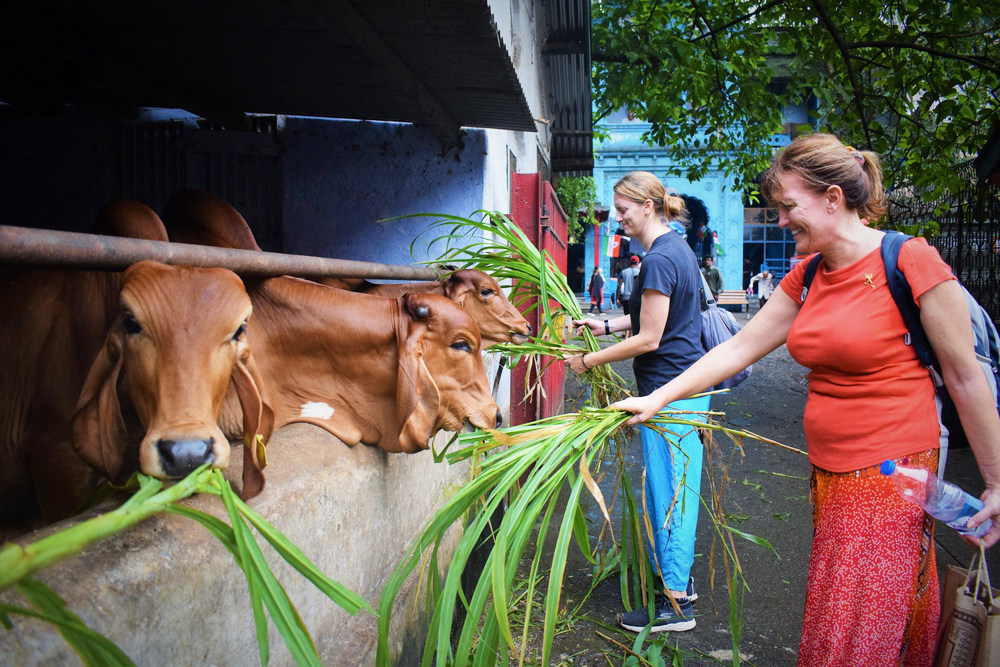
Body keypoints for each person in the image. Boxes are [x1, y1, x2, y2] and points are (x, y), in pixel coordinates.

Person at [613, 134, 1000, 666]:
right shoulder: (810, 274)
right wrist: (658, 399)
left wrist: (997, 481)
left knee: (856, 624)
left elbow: (965, 377)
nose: (779, 222)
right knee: (848, 611)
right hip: (830, 475)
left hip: (890, 473)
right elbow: (740, 347)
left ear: (834, 198)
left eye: (789, 207)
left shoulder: (910, 261)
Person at [567, 171, 708, 633]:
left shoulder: (659, 260)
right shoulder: (675, 249)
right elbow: (648, 321)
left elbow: (650, 338)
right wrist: (601, 327)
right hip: (679, 389)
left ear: (648, 206)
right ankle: (676, 581)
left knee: (670, 496)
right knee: (672, 491)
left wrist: (588, 360)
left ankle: (675, 604)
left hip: (671, 393)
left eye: (624, 210)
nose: (618, 219)